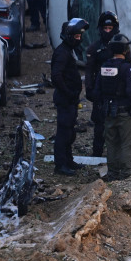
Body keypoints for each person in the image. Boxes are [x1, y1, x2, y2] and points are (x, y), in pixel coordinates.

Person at [93, 34, 131, 181]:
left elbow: (97, 91)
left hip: (108, 111)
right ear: (126, 50)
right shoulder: (128, 68)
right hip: (125, 112)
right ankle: (126, 175)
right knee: (127, 143)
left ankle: (112, 174)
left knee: (111, 143)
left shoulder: (104, 67)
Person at [52, 18, 89, 176]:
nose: (78, 40)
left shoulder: (68, 50)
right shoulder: (62, 52)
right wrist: (68, 92)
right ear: (69, 35)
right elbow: (56, 76)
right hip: (66, 100)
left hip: (71, 100)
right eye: (77, 37)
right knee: (64, 132)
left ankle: (68, 160)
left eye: (80, 37)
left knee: (69, 132)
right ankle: (61, 165)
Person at [84, 11, 122, 157]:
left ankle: (118, 156)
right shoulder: (94, 48)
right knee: (99, 126)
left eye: (110, 28)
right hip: (100, 92)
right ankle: (97, 154)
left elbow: (128, 67)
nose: (108, 31)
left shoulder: (121, 45)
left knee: (118, 124)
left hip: (118, 92)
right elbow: (89, 70)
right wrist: (89, 90)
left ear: (115, 28)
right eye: (105, 29)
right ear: (100, 29)